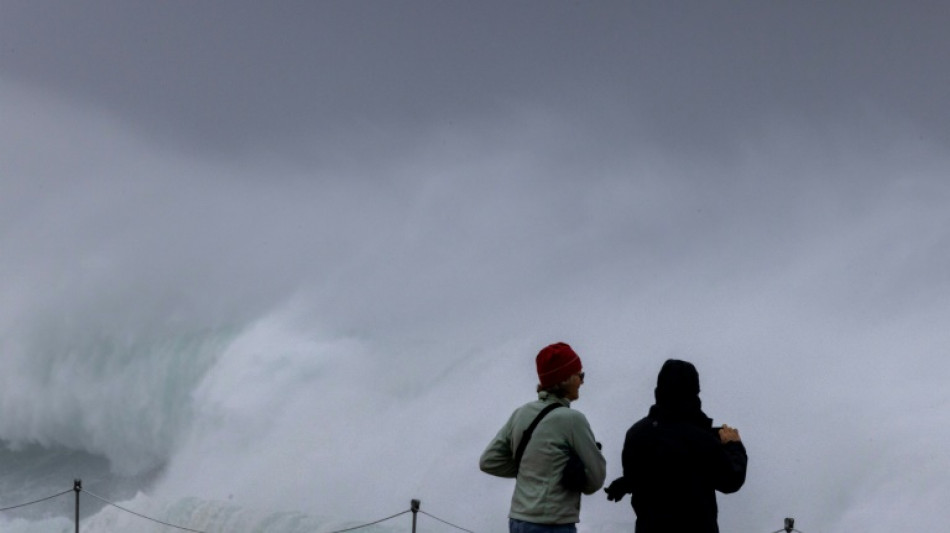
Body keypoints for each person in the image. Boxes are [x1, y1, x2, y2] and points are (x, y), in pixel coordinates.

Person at [604, 359, 747, 533]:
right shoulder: (701, 439)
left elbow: (639, 477)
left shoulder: (636, 433)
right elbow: (731, 480)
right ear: (694, 393)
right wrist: (733, 446)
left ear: (659, 390)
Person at [480, 342, 607, 533]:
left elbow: (489, 461)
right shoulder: (572, 420)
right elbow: (595, 480)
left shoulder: (521, 414)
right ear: (565, 379)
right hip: (552, 525)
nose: (582, 381)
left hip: (518, 520)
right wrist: (565, 474)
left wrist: (534, 469)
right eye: (579, 375)